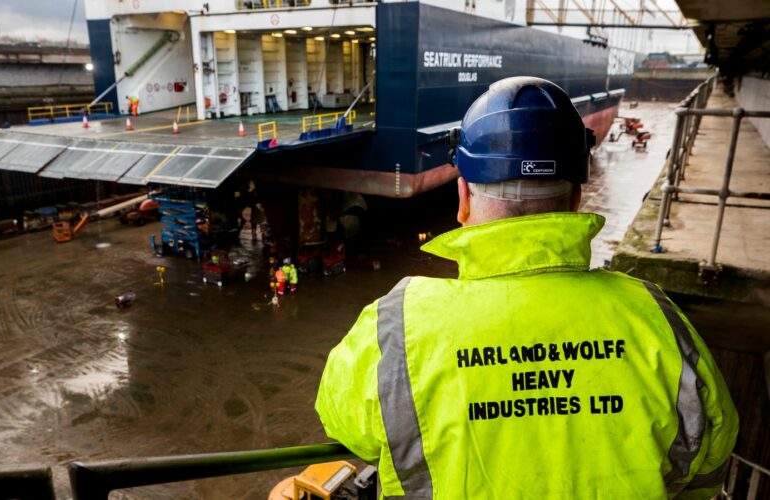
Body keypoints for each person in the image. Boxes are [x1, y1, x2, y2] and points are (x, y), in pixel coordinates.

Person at [315, 77, 738, 499]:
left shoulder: (395, 325)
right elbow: (709, 456)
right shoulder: (656, 317)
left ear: (462, 196)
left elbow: (345, 426)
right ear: (576, 200)